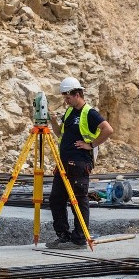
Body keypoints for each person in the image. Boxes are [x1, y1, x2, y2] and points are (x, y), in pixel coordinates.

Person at [46, 77, 114, 249]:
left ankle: (79, 239)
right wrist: (53, 121)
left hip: (79, 163)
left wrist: (90, 145)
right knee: (56, 199)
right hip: (63, 164)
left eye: (68, 97)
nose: (65, 101)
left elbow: (108, 129)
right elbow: (60, 134)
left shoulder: (89, 113)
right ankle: (63, 235)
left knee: (78, 200)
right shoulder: (69, 112)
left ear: (77, 94)